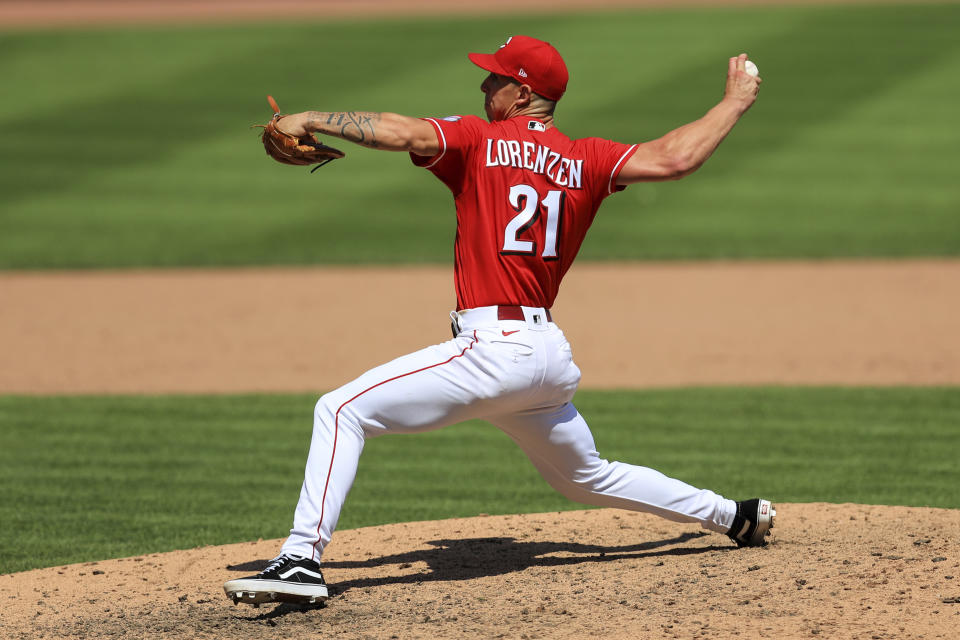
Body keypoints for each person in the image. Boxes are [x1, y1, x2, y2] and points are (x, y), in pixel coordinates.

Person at [224, 35, 770, 606]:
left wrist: (312, 117)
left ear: (522, 92)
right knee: (585, 476)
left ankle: (300, 561)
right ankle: (735, 516)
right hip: (546, 357)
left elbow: (404, 132)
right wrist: (734, 102)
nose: (485, 86)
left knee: (339, 409)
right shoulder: (586, 157)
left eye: (495, 78)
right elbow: (676, 157)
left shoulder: (477, 139)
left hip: (492, 350)